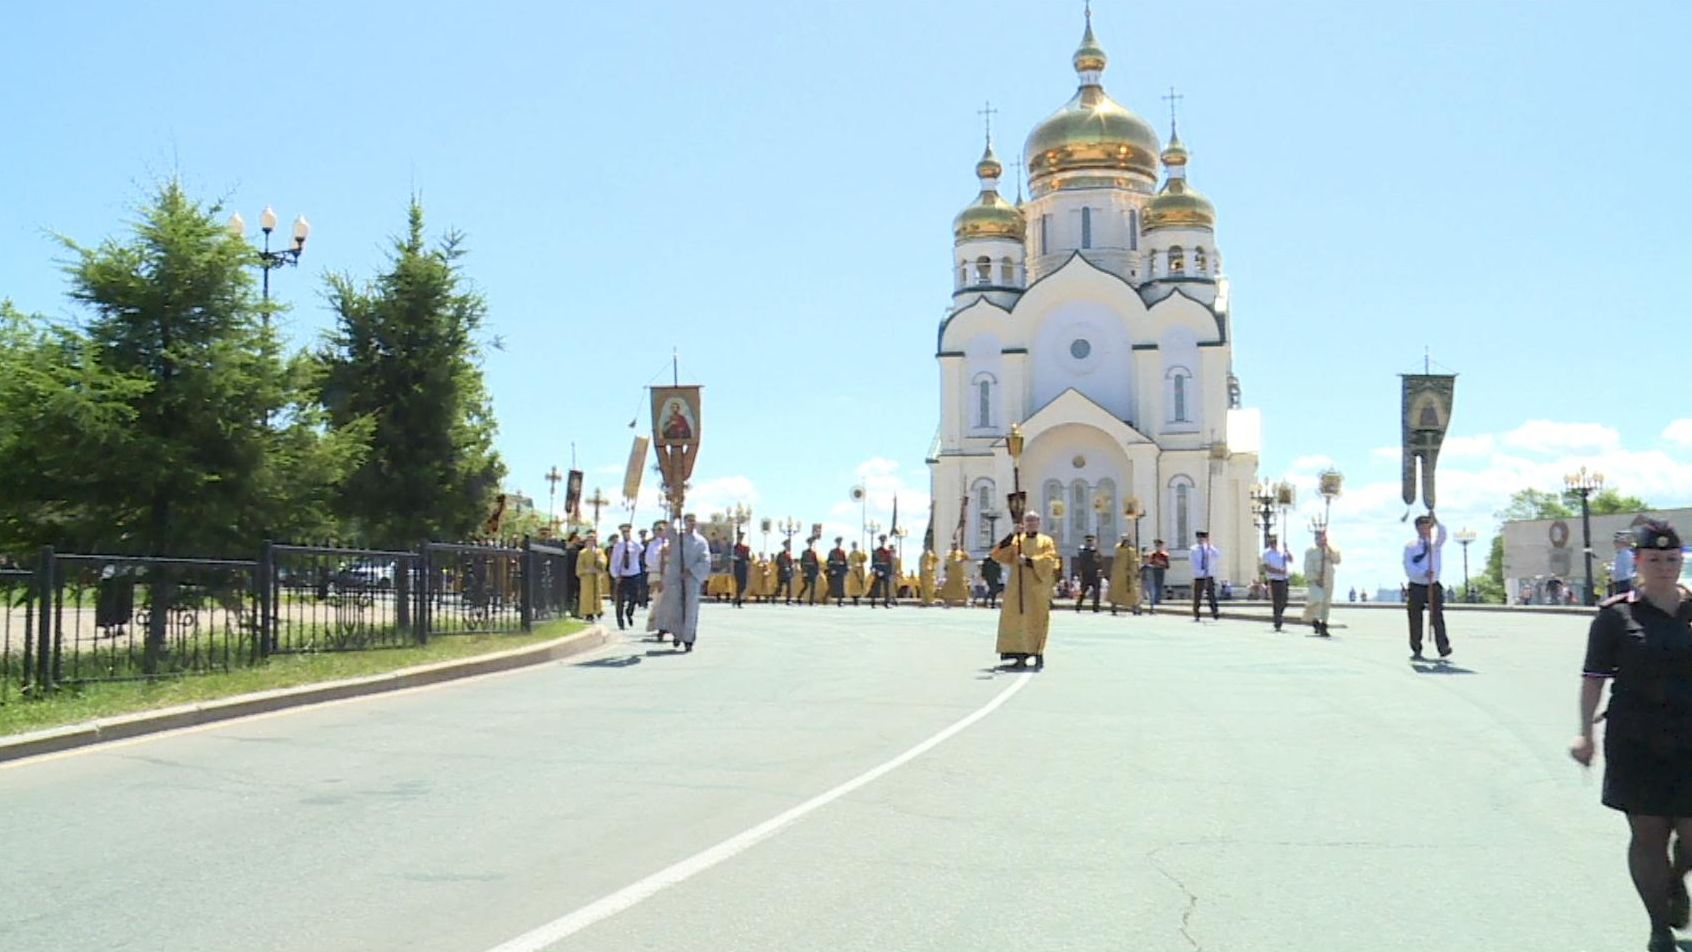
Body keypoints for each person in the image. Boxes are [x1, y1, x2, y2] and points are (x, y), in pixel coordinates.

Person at [1570, 521, 1691, 952]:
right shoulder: (1616, 615)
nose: (1664, 567)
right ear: (1637, 562)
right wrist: (1586, 735)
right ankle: (1659, 926)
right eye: (1654, 560)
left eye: (1672, 560)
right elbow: (1592, 680)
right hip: (1637, 740)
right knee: (1648, 835)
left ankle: (1676, 882)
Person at [990, 512, 1061, 669]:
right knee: (1017, 621)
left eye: (1033, 520)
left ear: (1038, 522)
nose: (1030, 523)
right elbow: (997, 554)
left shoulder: (1045, 541)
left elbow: (1049, 560)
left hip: (1036, 588)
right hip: (1017, 588)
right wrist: (1011, 534)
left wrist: (1028, 561)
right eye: (1028, 520)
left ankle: (1037, 653)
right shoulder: (1017, 540)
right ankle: (1019, 654)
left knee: (1036, 620)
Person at [654, 513, 712, 652]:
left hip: (692, 578)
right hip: (676, 577)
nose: (692, 523)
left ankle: (688, 639)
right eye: (689, 521)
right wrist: (674, 516)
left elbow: (705, 560)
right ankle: (677, 634)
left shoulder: (701, 541)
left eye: (694, 521)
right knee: (676, 607)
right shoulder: (678, 538)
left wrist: (691, 571)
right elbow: (667, 532)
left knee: (690, 609)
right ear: (685, 523)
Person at [1404, 513, 1451, 660]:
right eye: (1423, 527)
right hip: (1417, 585)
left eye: (1428, 526)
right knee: (1415, 617)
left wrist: (1436, 521)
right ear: (1417, 528)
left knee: (1437, 616)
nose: (1426, 529)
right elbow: (1408, 566)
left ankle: (1443, 646)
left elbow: (1443, 535)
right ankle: (1416, 647)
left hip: (1433, 585)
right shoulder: (1411, 546)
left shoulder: (1435, 544)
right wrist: (1422, 573)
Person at [1301, 527, 1342, 637]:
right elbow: (1307, 567)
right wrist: (1315, 578)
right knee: (1317, 600)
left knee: (1326, 603)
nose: (1321, 539)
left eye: (1323, 536)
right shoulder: (1310, 551)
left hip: (1328, 579)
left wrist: (1328, 548)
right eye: (1318, 537)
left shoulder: (1330, 549)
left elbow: (1337, 560)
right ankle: (1315, 620)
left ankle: (1324, 624)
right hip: (1316, 581)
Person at [610, 523, 644, 631]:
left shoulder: (635, 545)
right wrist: (615, 575)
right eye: (623, 532)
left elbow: (641, 549)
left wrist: (630, 542)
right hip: (622, 575)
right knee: (620, 600)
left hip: (633, 574)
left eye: (627, 532)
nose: (625, 534)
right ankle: (620, 621)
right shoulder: (617, 546)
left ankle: (629, 613)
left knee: (634, 597)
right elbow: (614, 562)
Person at [1260, 533, 1292, 632]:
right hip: (1274, 580)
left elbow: (1290, 560)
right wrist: (1279, 571)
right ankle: (1277, 621)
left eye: (1275, 541)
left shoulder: (1281, 552)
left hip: (1284, 579)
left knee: (1285, 600)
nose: (1274, 542)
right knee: (1277, 602)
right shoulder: (1266, 553)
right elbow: (1267, 567)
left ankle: (1279, 615)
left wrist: (1287, 550)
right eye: (1272, 540)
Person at [575, 529, 607, 622]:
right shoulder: (582, 553)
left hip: (596, 576)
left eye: (593, 539)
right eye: (589, 539)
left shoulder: (599, 551)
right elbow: (579, 565)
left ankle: (598, 610)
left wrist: (599, 563)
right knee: (587, 595)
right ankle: (588, 613)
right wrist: (586, 570)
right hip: (586, 577)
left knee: (597, 593)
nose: (591, 541)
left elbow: (603, 560)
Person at [1190, 530, 1221, 622]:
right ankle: (1196, 613)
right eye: (1199, 538)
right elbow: (1193, 563)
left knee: (1211, 595)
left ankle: (1215, 612)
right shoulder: (1193, 549)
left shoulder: (1209, 548)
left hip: (1209, 575)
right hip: (1199, 576)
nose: (1201, 540)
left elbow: (1217, 555)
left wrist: (1209, 546)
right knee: (1198, 596)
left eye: (1203, 538)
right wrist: (1200, 572)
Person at [645, 522, 669, 639]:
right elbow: (649, 560)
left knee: (669, 602)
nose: (660, 532)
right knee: (658, 601)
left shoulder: (670, 544)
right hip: (656, 575)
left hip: (669, 576)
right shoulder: (652, 545)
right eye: (657, 530)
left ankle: (668, 626)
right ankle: (658, 626)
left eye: (662, 530)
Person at [1108, 534, 1142, 615]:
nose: (1126, 542)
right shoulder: (1118, 549)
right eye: (1124, 540)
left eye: (1127, 540)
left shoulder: (1131, 550)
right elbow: (1116, 560)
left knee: (1131, 591)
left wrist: (1136, 571)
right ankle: (1114, 605)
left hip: (1128, 574)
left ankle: (1134, 607)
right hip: (1118, 574)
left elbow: (1134, 562)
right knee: (1115, 590)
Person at [1074, 534, 1103, 613]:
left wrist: (1099, 570)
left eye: (1091, 541)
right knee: (1083, 591)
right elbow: (1080, 561)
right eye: (1088, 541)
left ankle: (1096, 607)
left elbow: (1099, 561)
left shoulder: (1096, 550)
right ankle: (1078, 606)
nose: (1089, 542)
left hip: (1094, 573)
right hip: (1085, 573)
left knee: (1096, 591)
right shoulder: (1082, 550)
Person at [869, 535, 895, 608]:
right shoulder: (876, 551)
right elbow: (873, 563)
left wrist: (890, 573)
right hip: (878, 571)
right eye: (881, 541)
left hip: (886, 571)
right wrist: (877, 571)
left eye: (884, 541)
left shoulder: (888, 552)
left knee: (887, 588)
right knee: (875, 587)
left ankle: (887, 602)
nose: (882, 542)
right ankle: (873, 602)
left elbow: (890, 563)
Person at [1146, 540, 1171, 609]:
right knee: (1152, 585)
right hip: (1153, 571)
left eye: (1159, 546)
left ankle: (1158, 599)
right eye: (1156, 546)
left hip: (1160, 571)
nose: (1158, 548)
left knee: (1159, 585)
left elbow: (1167, 566)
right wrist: (1153, 563)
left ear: (1161, 546)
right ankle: (1153, 599)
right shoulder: (1152, 555)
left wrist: (1162, 563)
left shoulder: (1164, 555)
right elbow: (1149, 563)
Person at [1614, 531, 1639, 597]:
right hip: (1620, 582)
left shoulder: (1627, 554)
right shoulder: (1620, 554)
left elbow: (1627, 571)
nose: (1615, 544)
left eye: (1617, 542)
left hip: (1625, 582)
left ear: (1623, 543)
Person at [826, 537, 849, 606]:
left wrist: (845, 571)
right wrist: (832, 570)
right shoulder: (832, 552)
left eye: (840, 543)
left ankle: (840, 601)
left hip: (840, 571)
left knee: (840, 586)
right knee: (832, 586)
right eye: (838, 543)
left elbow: (845, 562)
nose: (839, 544)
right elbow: (829, 562)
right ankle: (825, 598)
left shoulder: (842, 552)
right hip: (834, 570)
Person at [846, 542, 869, 606]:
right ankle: (854, 600)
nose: (854, 546)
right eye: (853, 545)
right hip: (853, 572)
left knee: (859, 585)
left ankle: (858, 599)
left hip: (859, 572)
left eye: (855, 545)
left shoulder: (859, 553)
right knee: (853, 586)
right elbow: (848, 561)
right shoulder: (850, 554)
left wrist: (864, 554)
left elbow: (864, 559)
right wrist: (851, 566)